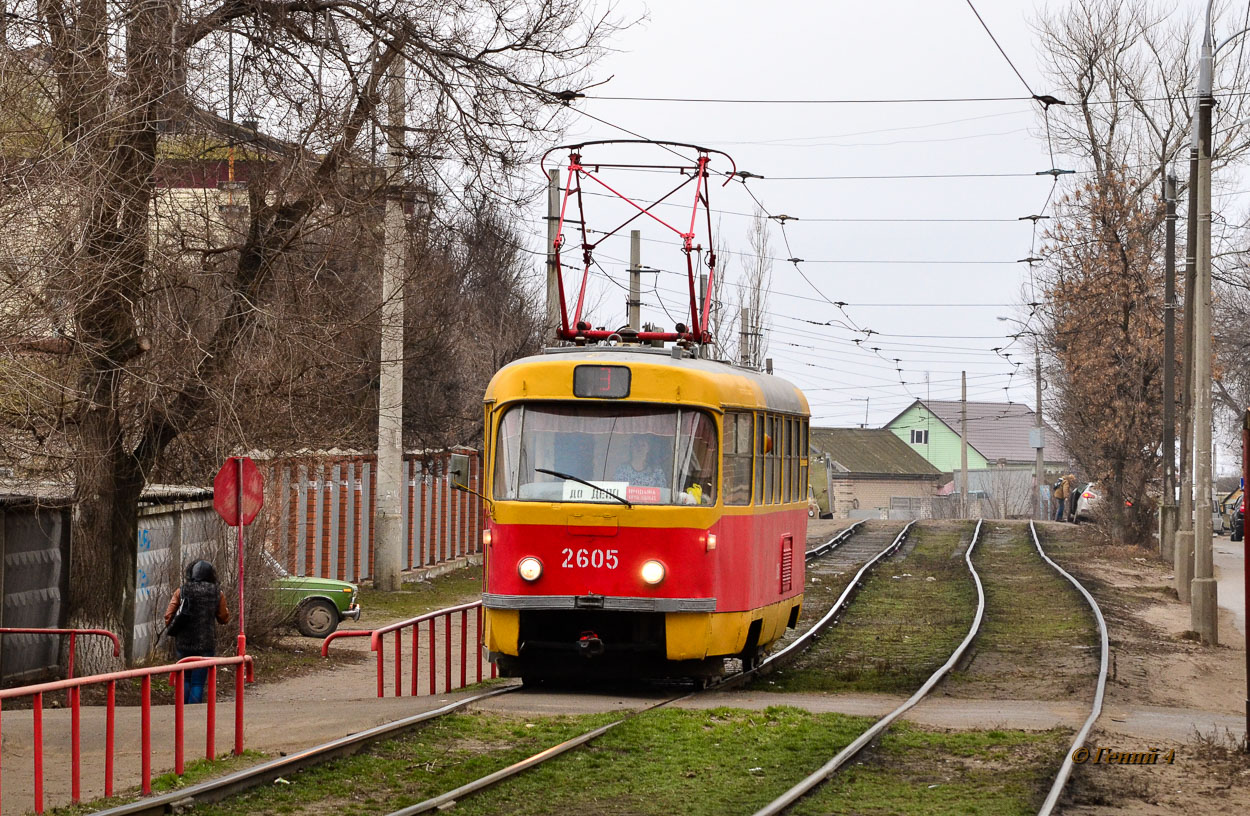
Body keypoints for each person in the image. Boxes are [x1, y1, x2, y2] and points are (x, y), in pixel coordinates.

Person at [164, 560, 230, 704]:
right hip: (206, 644)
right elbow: (223, 618)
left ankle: (181, 711)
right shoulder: (217, 593)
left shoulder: (181, 591)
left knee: (185, 679)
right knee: (198, 683)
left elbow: (168, 616)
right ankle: (193, 713)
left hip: (184, 643)